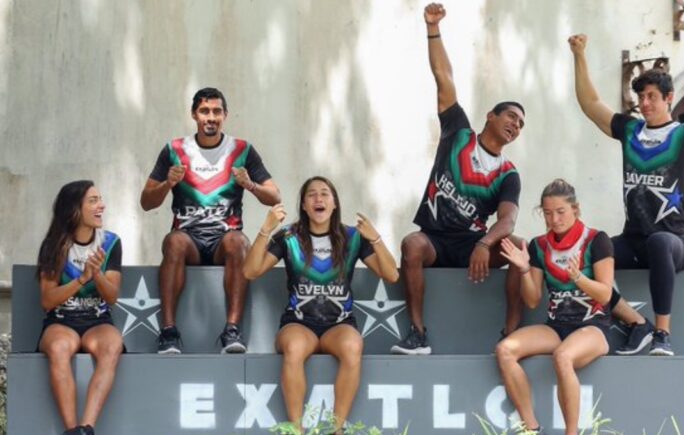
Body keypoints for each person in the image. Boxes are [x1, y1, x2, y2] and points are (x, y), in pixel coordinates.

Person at [569, 34, 684, 355]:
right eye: (641, 97)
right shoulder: (629, 130)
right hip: (634, 240)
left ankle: (662, 334)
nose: (645, 103)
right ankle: (636, 323)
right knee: (593, 249)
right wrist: (579, 54)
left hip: (673, 243)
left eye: (652, 96)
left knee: (659, 242)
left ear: (669, 98)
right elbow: (590, 105)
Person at [391, 2, 525, 355]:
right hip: (434, 240)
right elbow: (443, 77)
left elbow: (508, 221)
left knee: (520, 248)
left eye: (520, 124)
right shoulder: (458, 133)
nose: (515, 125)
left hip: (471, 244)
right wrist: (433, 29)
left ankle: (511, 333)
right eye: (511, 116)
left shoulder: (508, 173)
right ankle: (417, 334)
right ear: (490, 116)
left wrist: (484, 244)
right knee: (410, 245)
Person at [243, 176, 399, 433]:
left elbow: (391, 274)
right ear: (304, 205)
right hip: (298, 324)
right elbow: (250, 271)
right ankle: (296, 429)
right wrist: (265, 230)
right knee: (294, 348)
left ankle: (336, 428)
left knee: (353, 345)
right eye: (312, 194)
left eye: (325, 193)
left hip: (338, 325)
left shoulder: (352, 237)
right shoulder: (289, 236)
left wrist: (376, 239)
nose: (318, 198)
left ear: (334, 203)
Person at [140, 87, 281, 354]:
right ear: (194, 115)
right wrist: (167, 184)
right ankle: (168, 331)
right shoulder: (174, 149)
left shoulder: (242, 149)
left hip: (223, 240)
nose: (211, 117)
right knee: (173, 242)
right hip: (188, 240)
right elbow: (146, 202)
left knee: (240, 242)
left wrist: (250, 185)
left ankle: (232, 330)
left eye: (217, 111)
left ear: (225, 115)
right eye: (204, 111)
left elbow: (274, 196)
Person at [496, 179, 612, 435]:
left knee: (563, 356)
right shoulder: (539, 246)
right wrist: (524, 269)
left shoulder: (596, 240)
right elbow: (532, 300)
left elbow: (605, 295)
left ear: (575, 209)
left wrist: (578, 278)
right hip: (556, 326)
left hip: (593, 327)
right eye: (547, 213)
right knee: (505, 350)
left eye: (560, 212)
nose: (554, 219)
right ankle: (531, 428)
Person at [37, 181, 124, 435]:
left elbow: (112, 297)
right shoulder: (54, 244)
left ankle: (86, 428)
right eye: (93, 201)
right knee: (59, 347)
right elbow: (47, 300)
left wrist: (97, 275)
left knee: (112, 345)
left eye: (100, 199)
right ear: (74, 209)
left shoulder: (110, 242)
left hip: (97, 320)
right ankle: (71, 430)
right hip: (60, 320)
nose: (101, 206)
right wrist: (82, 279)